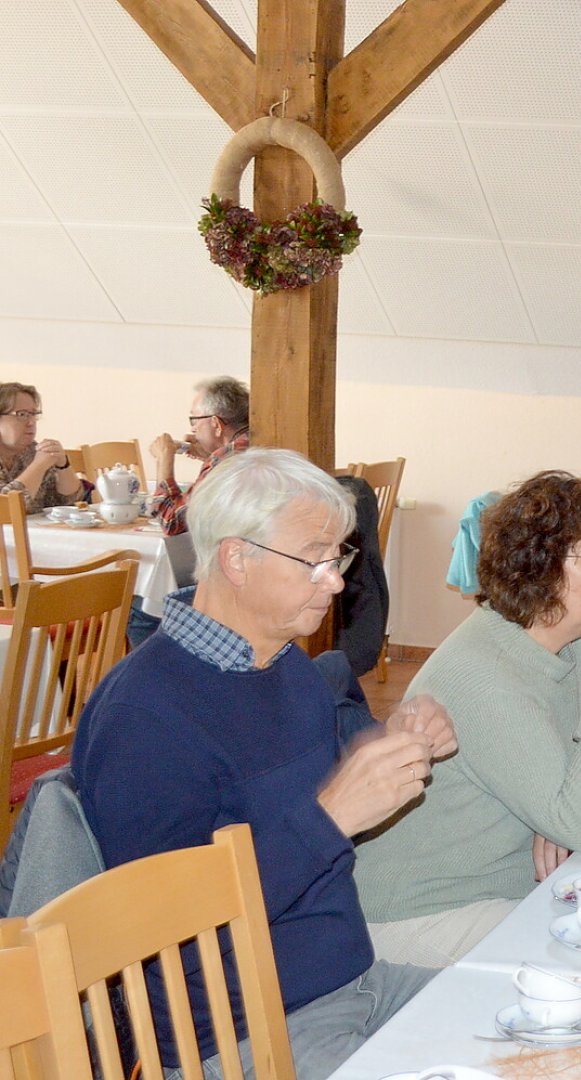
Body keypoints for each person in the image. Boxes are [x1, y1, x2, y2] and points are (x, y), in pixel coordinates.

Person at [73, 449, 458, 1080]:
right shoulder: (144, 714)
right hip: (241, 1033)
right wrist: (330, 816)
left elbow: (317, 768)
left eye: (339, 559)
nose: (334, 581)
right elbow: (163, 930)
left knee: (531, 1028)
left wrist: (398, 735)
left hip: (354, 985)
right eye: (315, 560)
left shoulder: (284, 666)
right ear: (235, 559)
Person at [354, 471, 581, 966]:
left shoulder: (567, 643)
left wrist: (557, 812)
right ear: (540, 569)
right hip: (423, 912)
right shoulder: (482, 676)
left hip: (499, 888)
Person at [148, 375, 251, 536]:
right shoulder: (250, 444)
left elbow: (171, 521)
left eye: (194, 420)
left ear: (216, 424)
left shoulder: (224, 460)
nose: (193, 429)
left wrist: (164, 460)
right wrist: (209, 456)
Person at [0, 381, 83, 512]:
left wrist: (63, 465)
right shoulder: (38, 459)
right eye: (22, 414)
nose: (31, 422)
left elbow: (71, 502)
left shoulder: (32, 450)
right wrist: (38, 466)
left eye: (33, 414)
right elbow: (6, 510)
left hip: (34, 531)